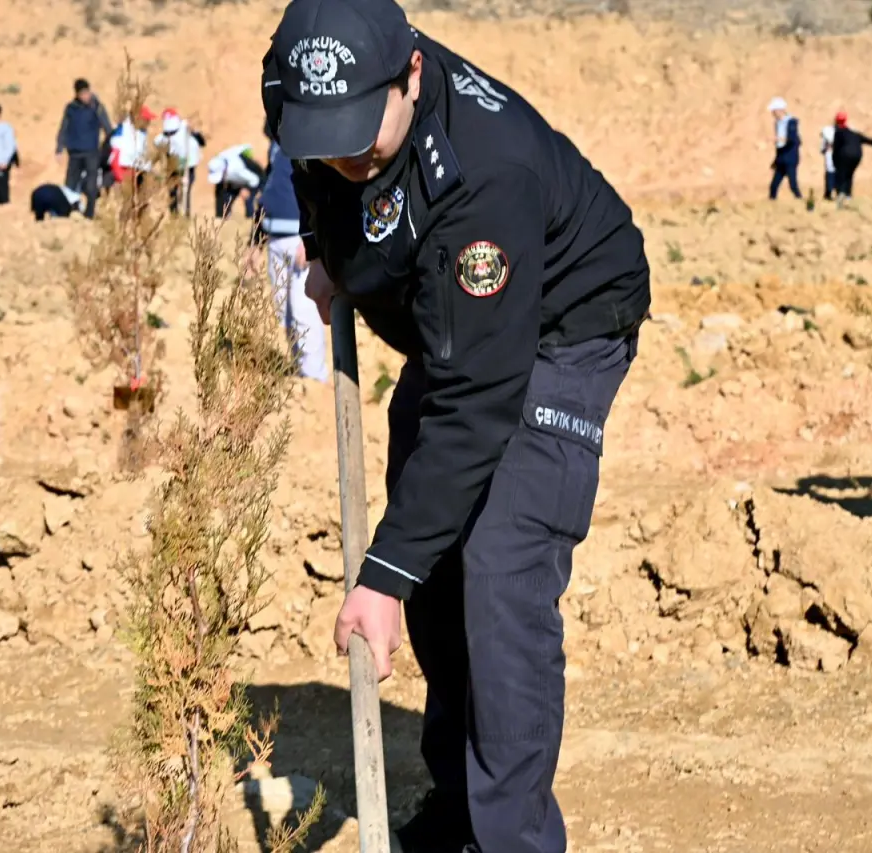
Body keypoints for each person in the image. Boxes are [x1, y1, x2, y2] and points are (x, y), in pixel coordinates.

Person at [261, 1, 651, 850]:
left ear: (408, 76)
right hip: (457, 328)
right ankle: (460, 812)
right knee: (435, 571)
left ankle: (511, 837)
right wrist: (326, 246)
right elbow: (300, 148)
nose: (343, 155)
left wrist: (380, 578)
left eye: (361, 133)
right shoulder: (304, 88)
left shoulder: (486, 169)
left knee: (499, 568)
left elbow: (477, 401)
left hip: (560, 322)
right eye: (323, 135)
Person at [248, 119, 328, 384]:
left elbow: (320, 190)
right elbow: (266, 193)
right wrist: (254, 242)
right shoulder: (276, 148)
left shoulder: (308, 140)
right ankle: (299, 371)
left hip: (298, 240)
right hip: (275, 237)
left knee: (304, 309)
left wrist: (312, 240)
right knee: (285, 311)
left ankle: (313, 377)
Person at [56, 78, 114, 219]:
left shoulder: (97, 107)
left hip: (91, 152)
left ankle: (90, 213)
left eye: (87, 93)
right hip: (74, 152)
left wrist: (110, 146)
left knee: (91, 184)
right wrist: (59, 148)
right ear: (77, 94)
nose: (85, 96)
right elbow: (64, 128)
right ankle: (69, 211)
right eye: (82, 94)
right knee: (70, 183)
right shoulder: (71, 108)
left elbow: (107, 127)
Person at [830, 110, 872, 207]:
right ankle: (848, 196)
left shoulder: (838, 132)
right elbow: (871, 141)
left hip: (845, 155)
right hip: (857, 156)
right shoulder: (854, 134)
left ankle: (841, 195)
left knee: (841, 175)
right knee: (849, 175)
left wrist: (834, 161)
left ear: (836, 122)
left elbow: (836, 149)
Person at [155, 108, 203, 215]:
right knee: (175, 191)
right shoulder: (166, 136)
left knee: (184, 190)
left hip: (185, 163)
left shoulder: (183, 129)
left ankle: (182, 214)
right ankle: (176, 213)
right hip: (176, 163)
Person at [206, 142, 264, 219]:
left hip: (254, 177)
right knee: (221, 191)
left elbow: (254, 180)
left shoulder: (236, 169)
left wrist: (246, 188)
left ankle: (251, 218)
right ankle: (221, 216)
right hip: (236, 177)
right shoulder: (217, 162)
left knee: (248, 197)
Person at [766, 96, 801, 200]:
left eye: (774, 111)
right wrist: (776, 160)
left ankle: (801, 201)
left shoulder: (791, 122)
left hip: (790, 158)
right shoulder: (777, 123)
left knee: (793, 185)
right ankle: (772, 205)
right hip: (781, 158)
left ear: (780, 110)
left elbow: (793, 139)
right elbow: (779, 145)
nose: (773, 113)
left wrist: (778, 139)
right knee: (773, 186)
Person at [819, 125, 836, 201]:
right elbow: (823, 148)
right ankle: (828, 193)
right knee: (829, 174)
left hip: (838, 157)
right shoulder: (827, 133)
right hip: (830, 156)